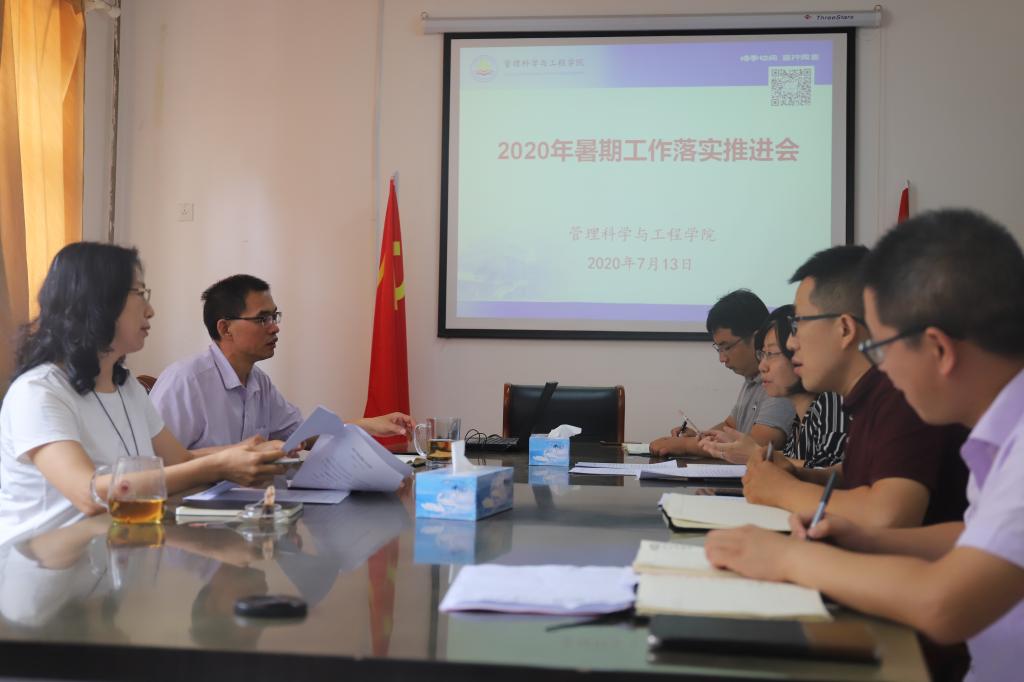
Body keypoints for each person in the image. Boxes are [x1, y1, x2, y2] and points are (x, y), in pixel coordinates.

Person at [705, 209, 1024, 682]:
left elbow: (942, 604)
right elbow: (977, 536)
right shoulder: (1000, 436)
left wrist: (790, 558)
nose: (882, 369)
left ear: (938, 349)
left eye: (882, 349)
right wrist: (866, 539)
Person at [0, 243, 287, 546]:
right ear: (99, 301)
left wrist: (245, 451)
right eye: (140, 293)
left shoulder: (126, 386)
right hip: (40, 566)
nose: (150, 310)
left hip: (114, 553)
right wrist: (219, 465)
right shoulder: (38, 391)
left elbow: (178, 460)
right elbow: (89, 494)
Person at [738, 245, 968, 527]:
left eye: (799, 324)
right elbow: (862, 475)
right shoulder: (869, 393)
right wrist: (801, 476)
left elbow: (888, 515)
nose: (791, 342)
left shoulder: (902, 392)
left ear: (845, 329)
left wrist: (783, 490)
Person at [149, 274, 413, 450]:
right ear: (225, 328)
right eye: (262, 319)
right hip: (195, 514)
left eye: (274, 317)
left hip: (249, 508)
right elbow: (153, 466)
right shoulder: (186, 382)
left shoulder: (258, 382)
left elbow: (302, 435)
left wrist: (368, 424)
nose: (274, 327)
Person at [700, 304, 848, 468]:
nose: (762, 366)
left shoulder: (832, 402)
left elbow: (832, 472)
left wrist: (756, 454)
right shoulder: (800, 419)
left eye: (771, 354)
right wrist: (739, 448)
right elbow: (795, 462)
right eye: (762, 354)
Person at [650, 289, 795, 457]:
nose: (722, 358)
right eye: (718, 349)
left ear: (757, 339)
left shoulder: (779, 381)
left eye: (727, 347)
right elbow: (730, 426)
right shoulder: (752, 379)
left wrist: (686, 445)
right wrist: (700, 438)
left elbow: (758, 445)